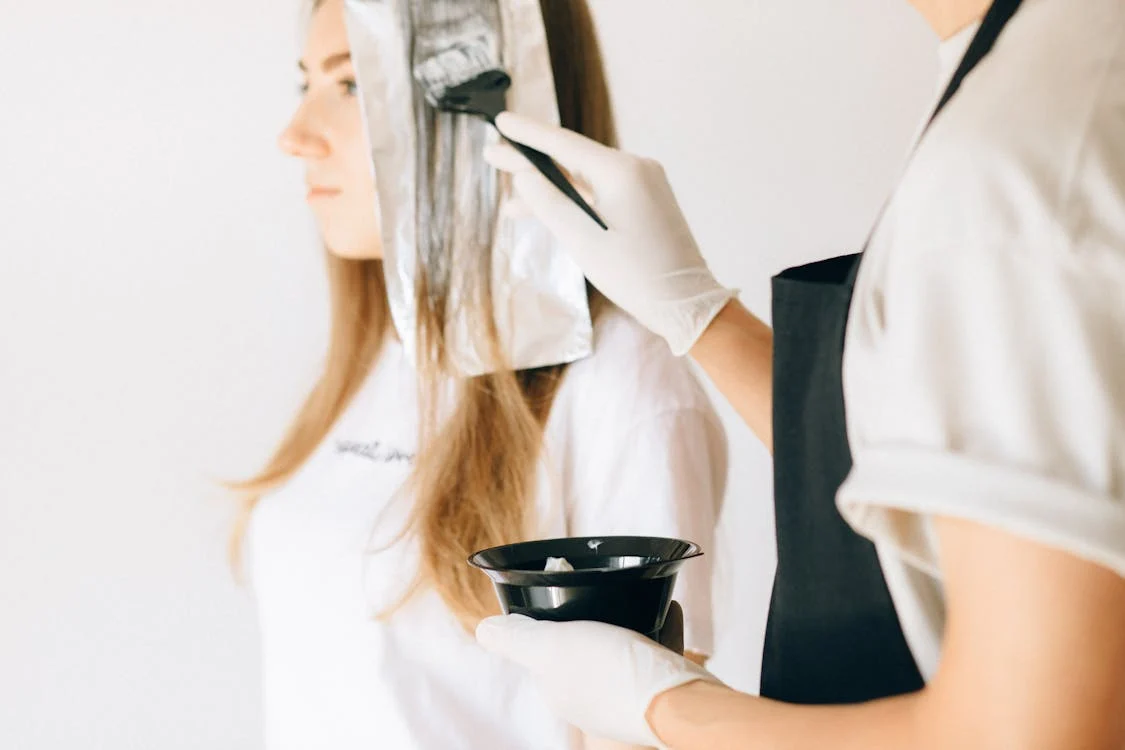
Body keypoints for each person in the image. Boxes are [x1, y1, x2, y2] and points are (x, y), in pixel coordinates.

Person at [475, 0, 1125, 747]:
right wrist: (700, 316)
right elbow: (960, 470)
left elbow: (1020, 735)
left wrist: (664, 709)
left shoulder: (1023, 154)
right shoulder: (1035, 68)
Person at [231, 1, 727, 749]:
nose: (294, 136)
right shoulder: (376, 360)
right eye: (305, 82)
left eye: (355, 85)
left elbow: (650, 729)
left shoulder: (621, 385)